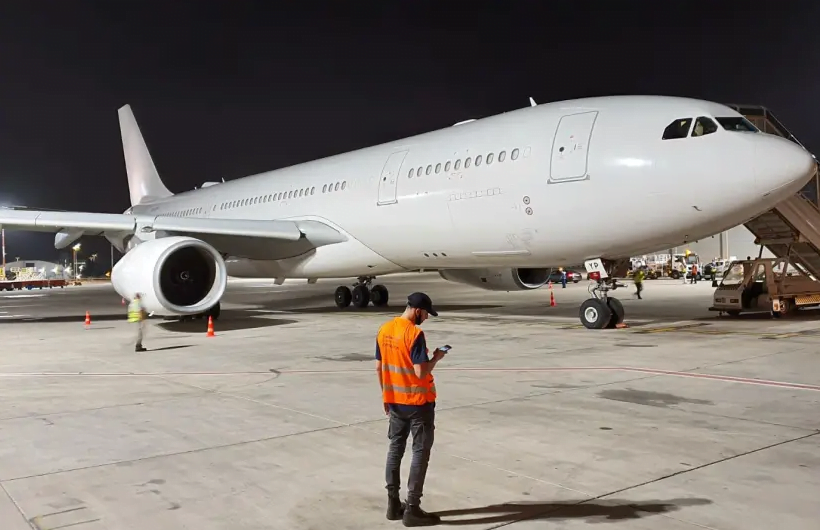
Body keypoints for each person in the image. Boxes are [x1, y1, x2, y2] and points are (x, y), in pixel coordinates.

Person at [375, 292, 447, 526]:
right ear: (417, 310)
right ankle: (412, 509)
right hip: (418, 403)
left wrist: (385, 396)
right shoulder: (414, 334)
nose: (426, 318)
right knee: (419, 453)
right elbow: (420, 372)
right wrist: (436, 358)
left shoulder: (384, 329)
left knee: (395, 450)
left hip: (395, 402)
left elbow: (379, 367)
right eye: (425, 314)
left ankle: (393, 504)